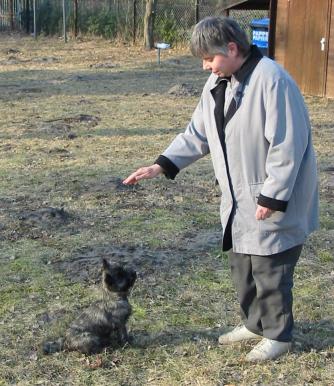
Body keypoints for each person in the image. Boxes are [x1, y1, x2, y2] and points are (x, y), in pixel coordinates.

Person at [123, 17, 318, 362]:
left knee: (270, 268)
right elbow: (197, 133)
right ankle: (255, 324)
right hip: (238, 197)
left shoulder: (272, 81)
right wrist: (162, 164)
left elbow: (287, 146)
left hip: (272, 197)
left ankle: (278, 335)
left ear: (231, 48)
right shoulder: (218, 82)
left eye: (208, 58)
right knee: (242, 265)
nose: (205, 67)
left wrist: (273, 196)